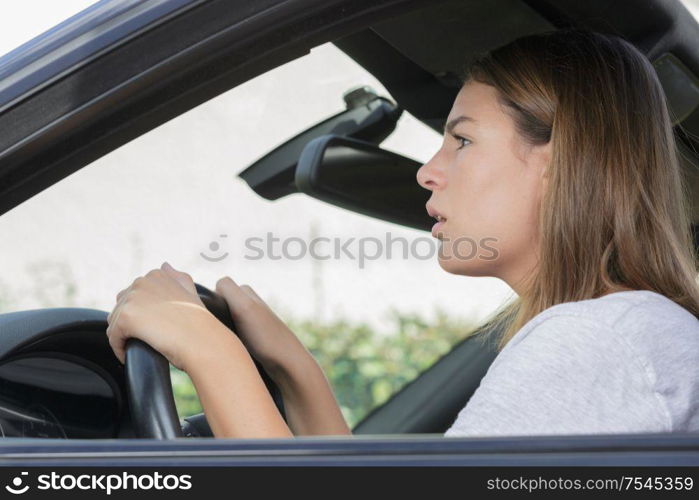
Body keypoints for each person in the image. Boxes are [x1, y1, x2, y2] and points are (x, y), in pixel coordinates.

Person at [105, 28, 699, 438]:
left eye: (462, 140)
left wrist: (208, 351)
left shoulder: (596, 342)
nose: (427, 172)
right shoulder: (629, 335)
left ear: (561, 158)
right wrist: (295, 371)